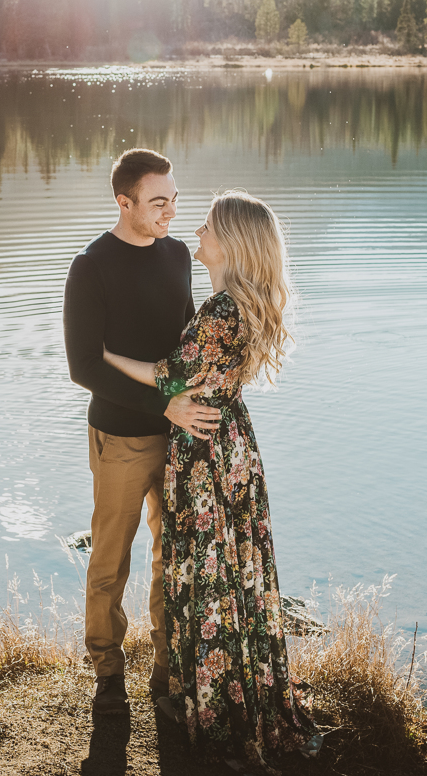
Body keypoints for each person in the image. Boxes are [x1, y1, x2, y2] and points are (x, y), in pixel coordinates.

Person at [104, 190, 321, 772]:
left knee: (209, 576)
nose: (194, 231)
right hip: (234, 447)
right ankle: (232, 696)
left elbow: (167, 375)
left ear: (227, 241)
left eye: (206, 225)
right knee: (236, 573)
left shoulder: (221, 310)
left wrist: (104, 355)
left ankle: (221, 713)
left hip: (204, 456)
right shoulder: (242, 304)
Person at [63, 149, 222, 717]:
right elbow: (85, 367)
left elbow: (188, 341)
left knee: (171, 557)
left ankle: (166, 673)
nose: (172, 211)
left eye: (175, 199)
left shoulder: (179, 255)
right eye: (159, 202)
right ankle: (108, 674)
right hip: (122, 439)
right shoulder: (91, 267)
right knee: (111, 558)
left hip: (180, 438)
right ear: (123, 202)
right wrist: (165, 408)